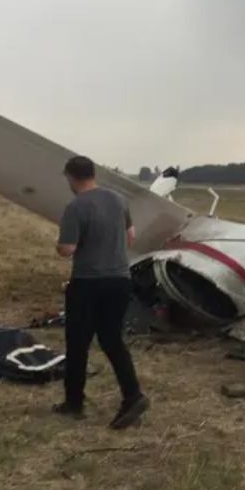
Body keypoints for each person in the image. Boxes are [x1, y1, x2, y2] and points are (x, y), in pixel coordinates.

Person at [52, 155, 149, 429]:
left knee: (78, 343)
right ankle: (132, 395)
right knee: (112, 340)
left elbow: (67, 249)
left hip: (88, 282)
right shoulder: (119, 200)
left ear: (71, 177)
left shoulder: (75, 206)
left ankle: (74, 402)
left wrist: (60, 245)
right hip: (120, 280)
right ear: (93, 174)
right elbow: (131, 236)